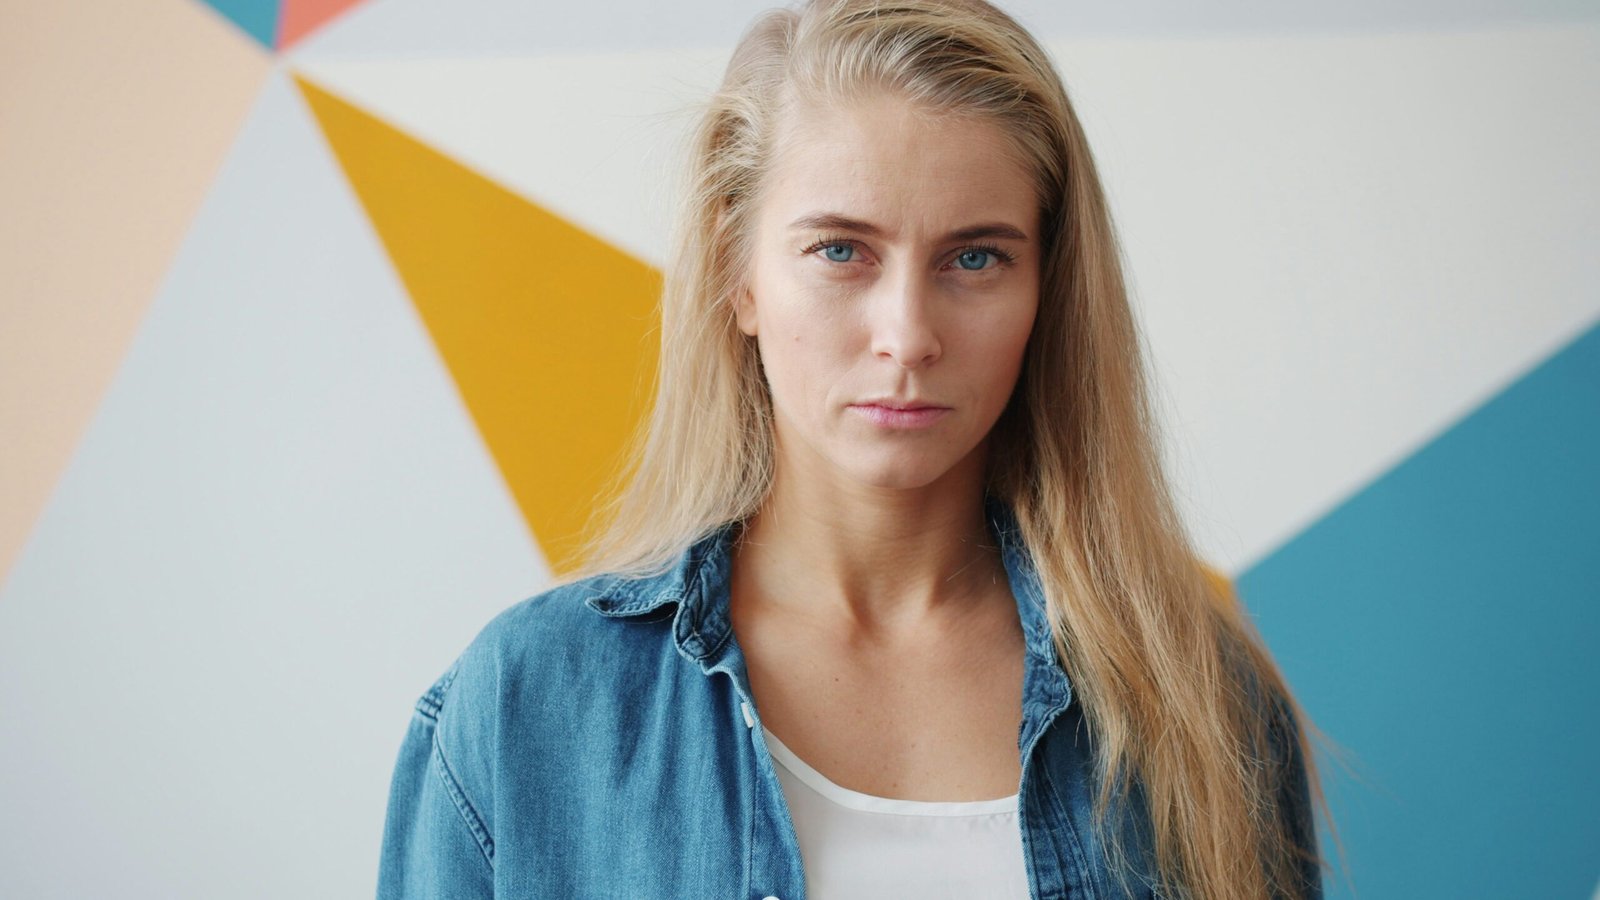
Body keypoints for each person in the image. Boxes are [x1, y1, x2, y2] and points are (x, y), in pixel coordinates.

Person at [377, 1, 1331, 898]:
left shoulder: (1203, 714)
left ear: (1048, 291)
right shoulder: (526, 707)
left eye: (975, 257)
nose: (908, 335)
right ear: (735, 275)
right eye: (841, 250)